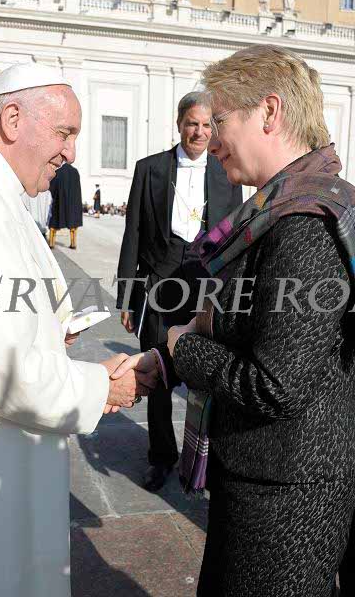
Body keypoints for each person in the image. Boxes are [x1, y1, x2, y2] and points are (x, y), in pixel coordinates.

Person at [113, 44, 355, 595]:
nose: (212, 138)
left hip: (287, 491)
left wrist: (181, 346)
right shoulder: (275, 209)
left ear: (269, 111)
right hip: (263, 474)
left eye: (220, 120)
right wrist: (171, 354)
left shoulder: (304, 224)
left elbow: (274, 382)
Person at [0, 62, 154, 597]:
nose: (71, 153)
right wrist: (103, 387)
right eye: (64, 133)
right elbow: (4, 371)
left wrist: (50, 325)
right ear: (12, 119)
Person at [116, 91, 242, 492]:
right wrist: (127, 296)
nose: (199, 132)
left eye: (206, 125)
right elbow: (133, 232)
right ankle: (161, 456)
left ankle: (204, 458)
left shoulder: (226, 172)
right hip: (159, 284)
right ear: (179, 124)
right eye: (192, 123)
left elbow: (235, 237)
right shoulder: (149, 169)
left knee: (206, 374)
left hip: (206, 289)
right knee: (155, 372)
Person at [48, 162, 83, 249]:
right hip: (72, 203)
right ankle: (73, 243)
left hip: (59, 202)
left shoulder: (58, 172)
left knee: (54, 222)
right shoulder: (75, 172)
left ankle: (51, 243)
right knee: (73, 224)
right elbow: (78, 189)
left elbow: (52, 188)